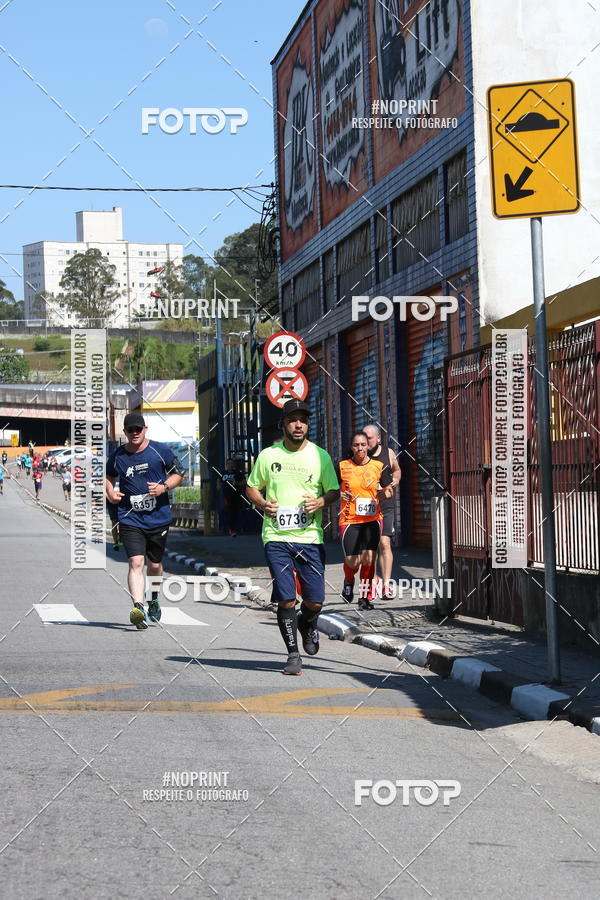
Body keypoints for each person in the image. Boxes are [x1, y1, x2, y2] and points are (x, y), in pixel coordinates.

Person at [246, 399, 340, 676]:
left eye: (303, 420)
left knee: (315, 601)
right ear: (283, 424)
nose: (298, 425)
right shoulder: (268, 456)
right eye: (292, 420)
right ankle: (292, 655)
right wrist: (263, 504)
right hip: (276, 537)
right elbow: (252, 487)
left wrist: (321, 502)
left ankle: (307, 623)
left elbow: (334, 491)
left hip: (310, 538)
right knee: (286, 599)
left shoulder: (320, 456)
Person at [105, 413, 184, 629]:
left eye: (138, 429)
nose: (134, 433)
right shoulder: (118, 455)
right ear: (125, 432)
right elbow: (108, 476)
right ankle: (138, 607)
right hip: (130, 518)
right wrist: (110, 492)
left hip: (158, 517)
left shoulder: (160, 450)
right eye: (130, 430)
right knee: (136, 562)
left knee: (155, 564)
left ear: (145, 429)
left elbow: (180, 473)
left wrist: (163, 488)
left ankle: (154, 598)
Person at [338, 432, 392, 610]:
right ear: (351, 447)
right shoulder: (342, 466)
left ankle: (364, 598)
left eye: (363, 444)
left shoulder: (379, 466)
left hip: (372, 519)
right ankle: (348, 580)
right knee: (353, 561)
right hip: (350, 519)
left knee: (369, 559)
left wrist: (386, 493)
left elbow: (388, 489)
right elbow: (331, 488)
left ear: (368, 446)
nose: (360, 448)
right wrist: (340, 493)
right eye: (356, 445)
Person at [363, 424, 401, 599]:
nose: (366, 441)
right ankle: (375, 580)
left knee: (384, 543)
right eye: (364, 437)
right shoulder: (359, 455)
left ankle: (386, 585)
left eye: (369, 438)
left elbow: (397, 469)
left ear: (378, 438)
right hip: (365, 508)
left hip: (385, 505)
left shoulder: (389, 453)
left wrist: (395, 480)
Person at [219, 458, 246, 536]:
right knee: (228, 512)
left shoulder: (237, 473)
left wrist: (236, 483)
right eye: (228, 463)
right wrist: (218, 485)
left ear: (233, 464)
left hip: (236, 496)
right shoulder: (223, 473)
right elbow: (219, 481)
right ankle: (230, 529)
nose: (229, 465)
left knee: (236, 513)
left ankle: (236, 528)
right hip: (226, 497)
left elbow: (244, 482)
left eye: (231, 463)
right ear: (226, 465)